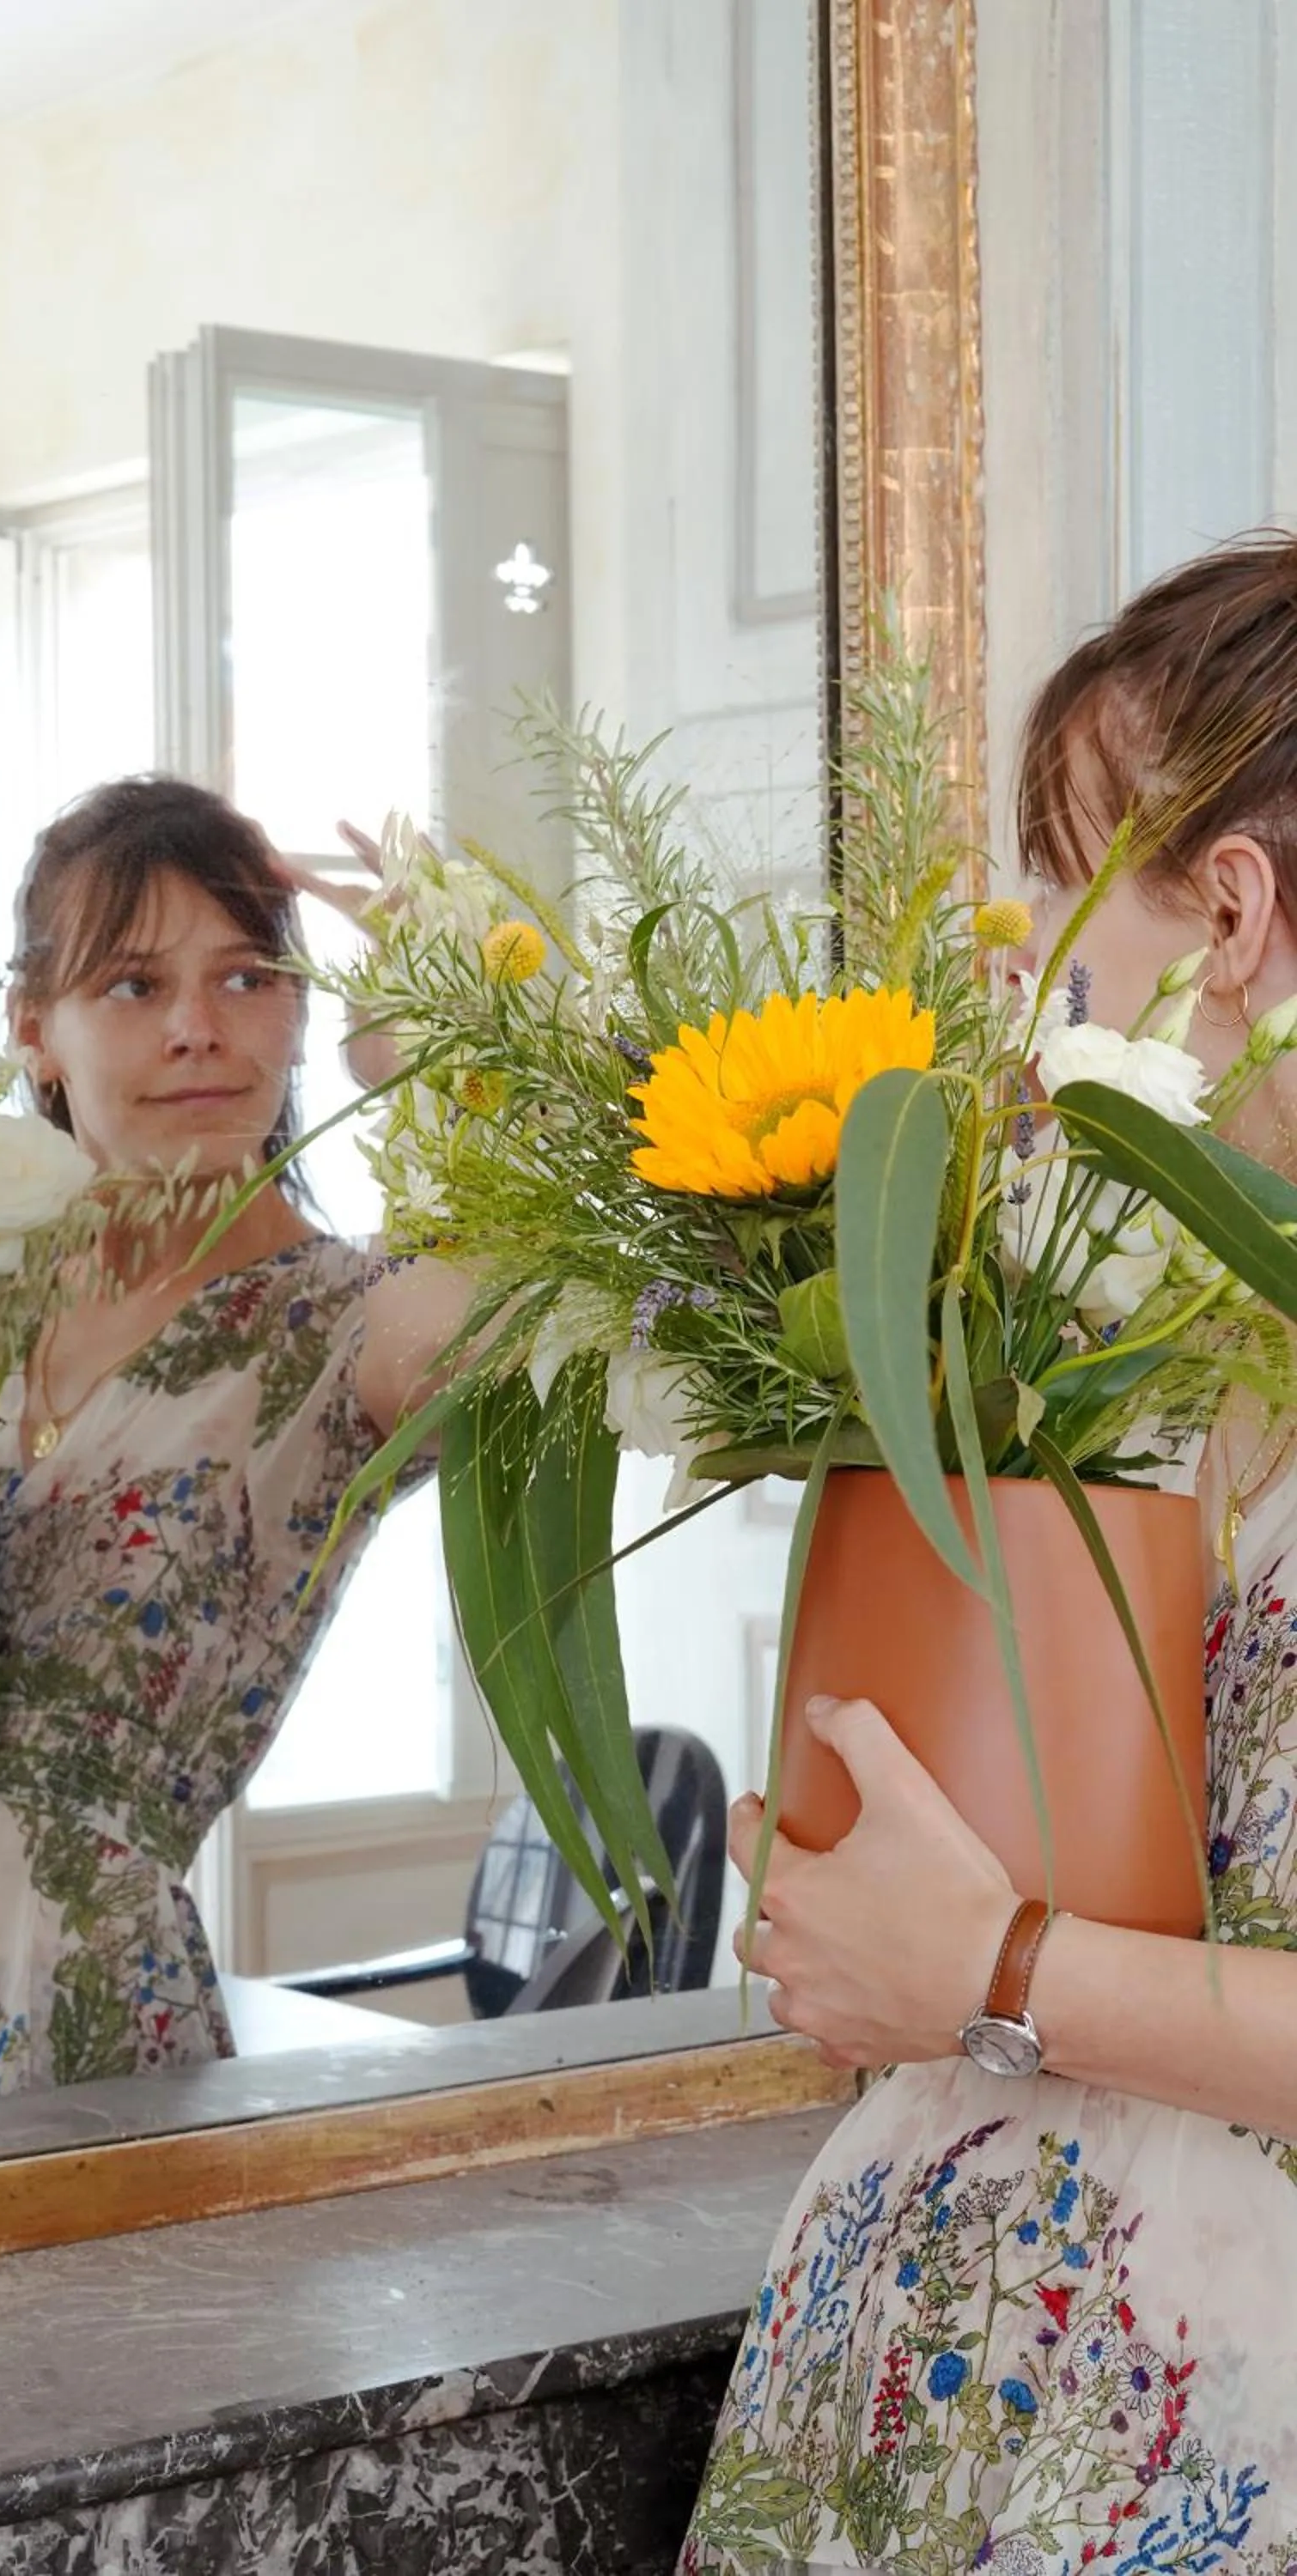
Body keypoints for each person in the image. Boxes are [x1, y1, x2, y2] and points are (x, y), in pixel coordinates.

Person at [681, 537, 1297, 2572]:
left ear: (1230, 913)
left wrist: (994, 1969)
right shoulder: (1142, 1334)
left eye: (1055, 899)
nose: (1024, 970)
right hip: (936, 2373)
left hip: (1199, 2420)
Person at [0, 775, 460, 2120]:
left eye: (249, 977)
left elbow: (512, 1323)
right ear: (37, 1031)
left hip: (62, 2002)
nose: (200, 1029)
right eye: (134, 986)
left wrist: (440, 1053)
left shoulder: (345, 1320)